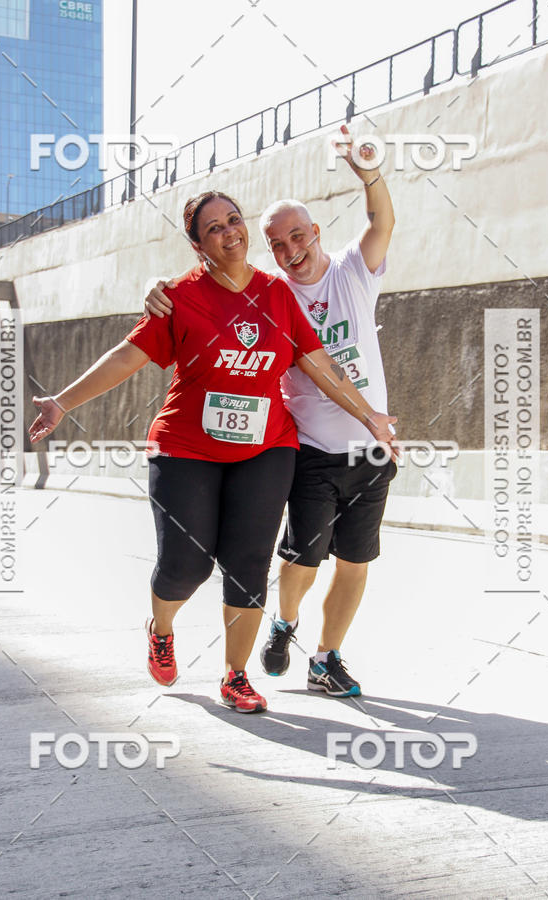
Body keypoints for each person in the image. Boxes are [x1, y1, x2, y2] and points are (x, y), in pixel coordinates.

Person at [29, 189, 397, 714]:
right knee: (187, 565)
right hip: (187, 448)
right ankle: (161, 628)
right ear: (198, 245)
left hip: (266, 448)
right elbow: (127, 355)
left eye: (233, 220)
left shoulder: (277, 294)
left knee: (249, 563)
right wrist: (63, 402)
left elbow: (318, 362)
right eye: (214, 228)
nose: (229, 232)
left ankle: (235, 676)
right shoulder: (179, 297)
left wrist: (369, 416)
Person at [143, 128, 396, 700]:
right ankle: (282, 623)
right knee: (298, 559)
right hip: (305, 449)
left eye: (298, 237)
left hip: (370, 450)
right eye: (277, 244)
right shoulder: (270, 292)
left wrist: (370, 176)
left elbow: (381, 222)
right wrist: (155, 287)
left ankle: (323, 659)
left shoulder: (352, 271)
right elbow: (213, 286)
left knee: (355, 561)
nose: (291, 250)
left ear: (316, 232)